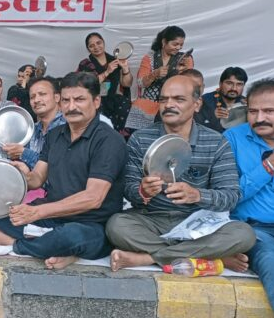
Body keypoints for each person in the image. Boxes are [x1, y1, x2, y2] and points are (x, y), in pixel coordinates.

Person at [106, 75, 256, 271]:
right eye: (163, 99)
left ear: (197, 104)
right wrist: (143, 191)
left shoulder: (216, 142)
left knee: (244, 234)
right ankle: (207, 255)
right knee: (116, 226)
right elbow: (128, 189)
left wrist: (197, 195)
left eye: (179, 99)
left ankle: (147, 258)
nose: (169, 105)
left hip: (199, 223)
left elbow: (231, 196)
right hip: (152, 219)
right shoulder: (140, 139)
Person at [0, 72, 126, 269]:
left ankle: (17, 244)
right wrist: (19, 175)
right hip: (53, 217)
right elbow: (37, 178)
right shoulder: (55, 135)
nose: (71, 106)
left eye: (79, 99)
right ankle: (58, 248)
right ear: (60, 102)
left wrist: (37, 212)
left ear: (96, 101)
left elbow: (93, 198)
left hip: (90, 224)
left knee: (71, 236)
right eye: (66, 100)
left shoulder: (108, 140)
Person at [223, 78, 274, 313]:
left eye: (269, 111)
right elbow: (229, 194)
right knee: (270, 261)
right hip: (255, 230)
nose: (259, 118)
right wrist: (269, 166)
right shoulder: (233, 139)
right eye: (253, 111)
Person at [0, 76, 66, 169]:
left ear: (57, 97)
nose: (36, 100)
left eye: (42, 94)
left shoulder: (68, 128)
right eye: (32, 97)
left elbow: (57, 165)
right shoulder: (31, 130)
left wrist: (23, 153)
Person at [77, 32, 133, 132]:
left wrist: (125, 69)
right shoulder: (85, 64)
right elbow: (87, 84)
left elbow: (127, 84)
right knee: (100, 130)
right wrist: (107, 72)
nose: (96, 47)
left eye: (99, 43)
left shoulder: (115, 60)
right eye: (91, 46)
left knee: (124, 106)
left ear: (103, 42)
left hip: (115, 100)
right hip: (95, 101)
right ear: (88, 49)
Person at [136, 26, 195, 101]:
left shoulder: (185, 59)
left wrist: (182, 72)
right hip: (150, 101)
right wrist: (154, 74)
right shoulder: (149, 58)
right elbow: (141, 84)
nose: (178, 48)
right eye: (175, 44)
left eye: (181, 45)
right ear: (164, 42)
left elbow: (190, 85)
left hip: (175, 101)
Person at [200, 67, 248, 133]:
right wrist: (212, 117)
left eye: (239, 84)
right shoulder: (204, 101)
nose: (234, 88)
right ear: (220, 84)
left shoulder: (247, 103)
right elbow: (194, 127)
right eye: (229, 83)